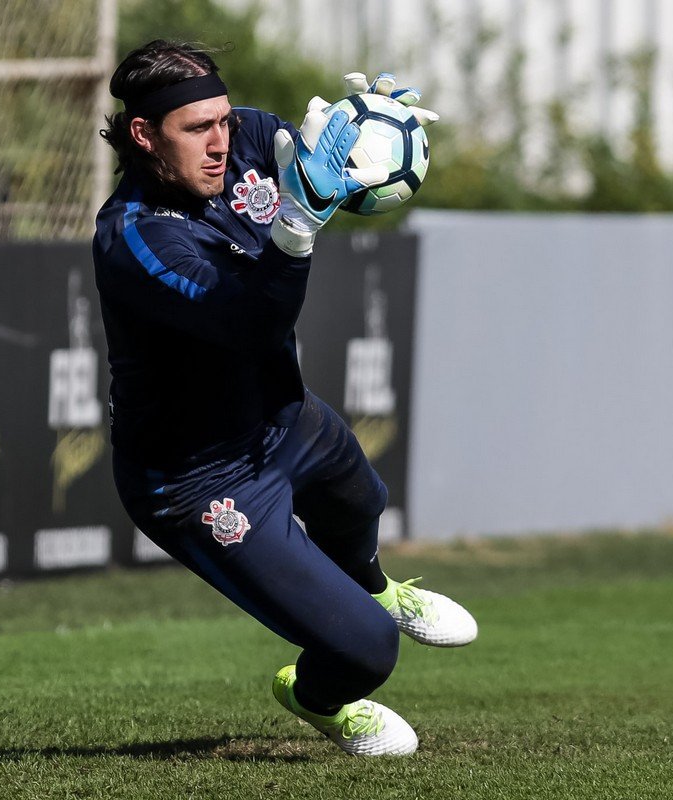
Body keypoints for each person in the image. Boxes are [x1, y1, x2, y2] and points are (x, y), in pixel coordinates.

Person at [92, 40, 475, 757]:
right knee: (367, 653)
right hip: (199, 479)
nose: (219, 142)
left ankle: (377, 588)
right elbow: (250, 324)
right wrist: (297, 222)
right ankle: (315, 697)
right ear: (144, 134)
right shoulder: (135, 238)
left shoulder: (246, 139)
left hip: (283, 417)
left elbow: (313, 165)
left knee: (360, 502)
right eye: (196, 129)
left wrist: (365, 132)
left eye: (223, 119)